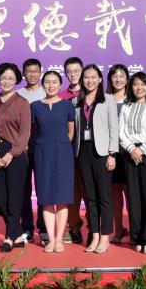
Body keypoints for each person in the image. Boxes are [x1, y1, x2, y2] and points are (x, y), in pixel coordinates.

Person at [72, 64, 119, 254]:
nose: (89, 80)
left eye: (93, 77)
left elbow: (113, 128)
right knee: (90, 197)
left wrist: (112, 154)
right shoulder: (77, 101)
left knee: (104, 197)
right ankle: (95, 235)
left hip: (102, 153)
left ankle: (105, 237)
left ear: (100, 79)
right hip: (83, 152)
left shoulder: (108, 99)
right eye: (86, 77)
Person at [0, 63, 31, 253]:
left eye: (11, 78)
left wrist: (10, 154)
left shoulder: (22, 103)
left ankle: (9, 237)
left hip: (16, 153)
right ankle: (18, 234)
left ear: (16, 80)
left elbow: (24, 135)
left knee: (14, 197)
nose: (7, 81)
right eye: (3, 78)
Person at [119, 72, 146, 254]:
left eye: (143, 84)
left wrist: (142, 149)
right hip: (130, 154)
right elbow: (121, 131)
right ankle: (137, 236)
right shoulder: (126, 107)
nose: (139, 87)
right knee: (134, 198)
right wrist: (131, 149)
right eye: (136, 84)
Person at [32, 71, 75, 253]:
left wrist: (62, 145)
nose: (51, 85)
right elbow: (33, 131)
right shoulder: (35, 106)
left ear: (60, 84)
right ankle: (50, 239)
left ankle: (59, 239)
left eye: (54, 82)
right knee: (46, 197)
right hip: (43, 152)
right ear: (43, 85)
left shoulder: (67, 105)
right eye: (47, 82)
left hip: (63, 153)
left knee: (63, 198)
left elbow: (71, 131)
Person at [18, 58, 47, 245]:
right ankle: (27, 228)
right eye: (29, 71)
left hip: (43, 147)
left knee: (43, 188)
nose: (32, 75)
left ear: (40, 72)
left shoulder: (47, 92)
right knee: (23, 190)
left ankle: (44, 229)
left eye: (35, 71)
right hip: (23, 149)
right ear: (24, 74)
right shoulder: (18, 95)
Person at [61, 56, 85, 241]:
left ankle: (94, 229)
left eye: (76, 71)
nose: (73, 74)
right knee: (72, 191)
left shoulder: (93, 94)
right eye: (69, 71)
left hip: (89, 150)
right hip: (68, 151)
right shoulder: (62, 97)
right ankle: (74, 228)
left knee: (90, 190)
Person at [106, 64, 130, 244]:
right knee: (114, 193)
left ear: (127, 79)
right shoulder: (105, 100)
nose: (118, 79)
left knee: (131, 193)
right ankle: (119, 228)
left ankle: (134, 228)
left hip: (129, 153)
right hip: (111, 153)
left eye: (122, 76)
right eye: (115, 76)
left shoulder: (133, 99)